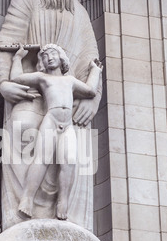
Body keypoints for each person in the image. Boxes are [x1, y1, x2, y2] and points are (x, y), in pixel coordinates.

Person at [0, 0, 102, 230]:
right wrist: (3, 83)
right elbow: (7, 41)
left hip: (68, 101)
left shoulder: (80, 12)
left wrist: (93, 100)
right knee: (25, 135)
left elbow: (92, 64)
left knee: (71, 155)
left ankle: (66, 217)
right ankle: (22, 217)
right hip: (30, 93)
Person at [10, 44, 103, 220]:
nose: (49, 57)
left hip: (67, 123)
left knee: (69, 161)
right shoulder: (42, 78)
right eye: (45, 56)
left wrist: (95, 71)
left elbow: (90, 91)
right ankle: (27, 199)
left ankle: (63, 202)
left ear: (61, 58)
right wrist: (17, 58)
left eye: (53, 54)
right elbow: (15, 78)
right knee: (42, 159)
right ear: (42, 62)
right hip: (51, 120)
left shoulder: (70, 81)